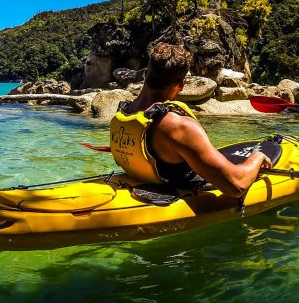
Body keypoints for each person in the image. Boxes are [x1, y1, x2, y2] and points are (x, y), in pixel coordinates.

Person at [109, 42, 270, 197]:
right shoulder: (178, 126)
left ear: (145, 75)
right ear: (181, 85)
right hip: (174, 190)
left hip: (139, 182)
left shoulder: (123, 114)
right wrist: (257, 156)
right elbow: (236, 185)